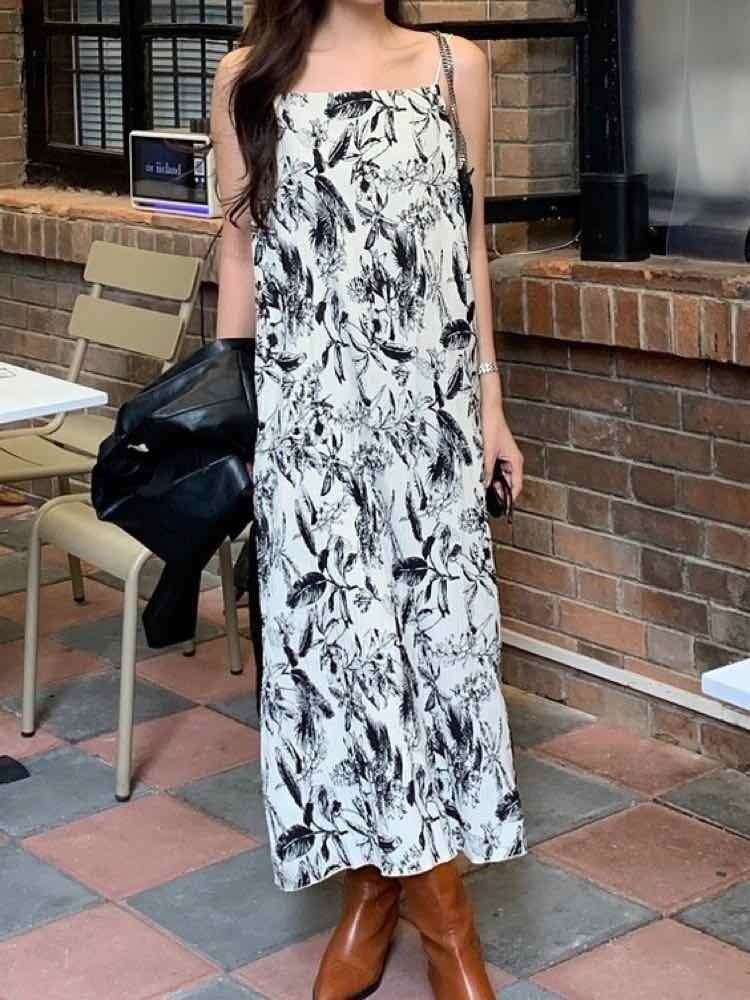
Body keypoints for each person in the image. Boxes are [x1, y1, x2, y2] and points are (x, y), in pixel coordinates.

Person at [211, 2, 527, 997]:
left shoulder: (454, 65)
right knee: (342, 667)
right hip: (308, 431)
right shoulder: (246, 78)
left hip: (430, 426)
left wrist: (492, 405)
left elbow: (469, 247)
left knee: (438, 661)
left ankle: (405, 903)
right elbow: (240, 254)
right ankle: (419, 911)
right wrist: (233, 417)